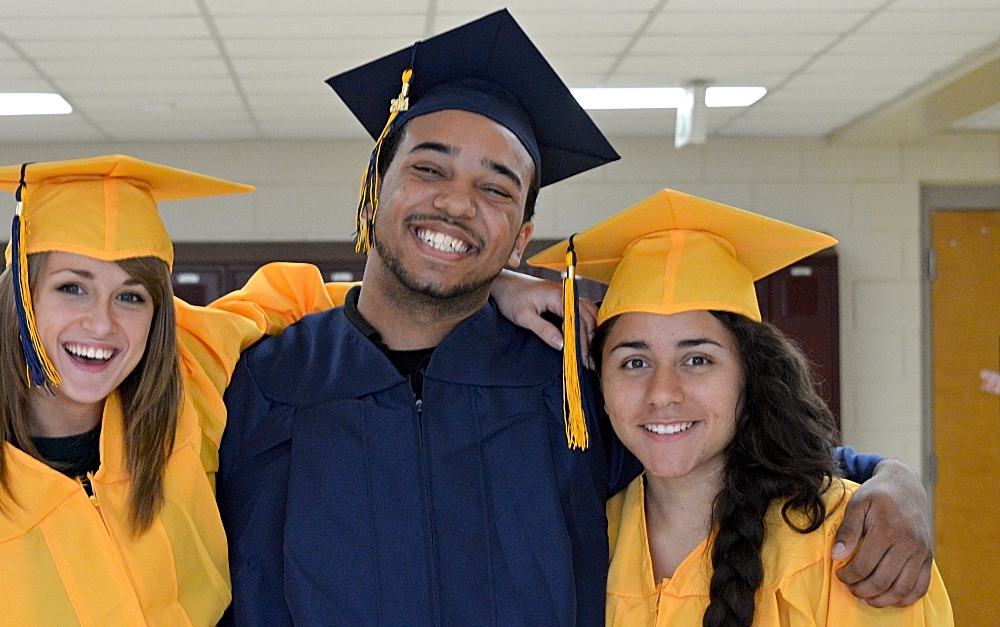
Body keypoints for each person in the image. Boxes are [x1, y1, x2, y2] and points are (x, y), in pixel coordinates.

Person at [215, 11, 933, 627]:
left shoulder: (570, 387)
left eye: (496, 187)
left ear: (522, 238)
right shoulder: (256, 384)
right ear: (376, 186)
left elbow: (723, 450)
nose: (458, 203)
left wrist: (892, 480)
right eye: (429, 169)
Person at [0, 155, 352, 625]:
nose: (102, 324)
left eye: (131, 296)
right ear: (20, 300)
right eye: (72, 288)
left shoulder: (191, 386)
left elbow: (308, 301)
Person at [529, 189, 952, 625]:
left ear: (749, 376)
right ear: (599, 382)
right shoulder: (583, 538)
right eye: (635, 362)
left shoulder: (850, 545)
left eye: (697, 360)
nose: (663, 392)